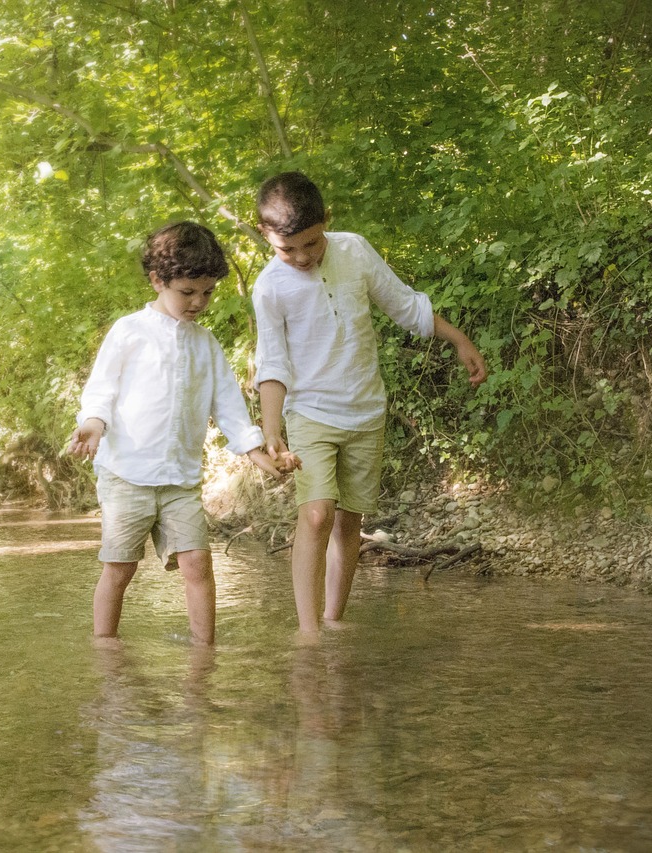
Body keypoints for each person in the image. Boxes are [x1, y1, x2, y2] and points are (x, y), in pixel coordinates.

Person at [251, 171, 488, 636]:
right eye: (288, 248)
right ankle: (308, 633)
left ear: (328, 222)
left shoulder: (354, 250)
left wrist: (458, 339)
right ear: (265, 235)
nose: (301, 256)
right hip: (310, 412)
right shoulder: (269, 288)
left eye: (311, 244)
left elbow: (404, 305)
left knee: (348, 522)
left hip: (364, 410)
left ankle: (333, 619)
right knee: (316, 513)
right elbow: (272, 364)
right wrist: (272, 430)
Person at [69, 221, 296, 646]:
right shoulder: (129, 332)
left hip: (179, 480)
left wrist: (254, 450)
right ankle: (105, 648)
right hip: (126, 475)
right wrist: (93, 425)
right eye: (187, 292)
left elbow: (227, 404)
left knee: (197, 565)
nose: (198, 302)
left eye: (207, 292)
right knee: (120, 568)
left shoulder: (205, 344)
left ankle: (203, 651)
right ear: (158, 280)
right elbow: (101, 390)